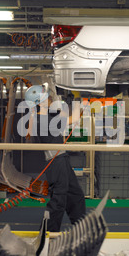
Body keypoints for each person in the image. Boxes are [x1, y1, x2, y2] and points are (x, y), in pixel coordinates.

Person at [25, 84, 86, 232]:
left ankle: (81, 228)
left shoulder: (39, 118)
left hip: (61, 160)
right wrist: (79, 98)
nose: (51, 99)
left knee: (75, 195)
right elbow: (75, 117)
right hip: (56, 162)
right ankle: (47, 233)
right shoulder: (43, 120)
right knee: (58, 200)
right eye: (48, 97)